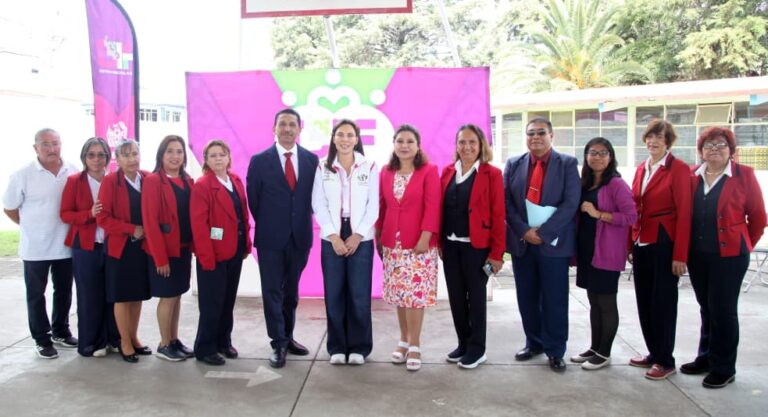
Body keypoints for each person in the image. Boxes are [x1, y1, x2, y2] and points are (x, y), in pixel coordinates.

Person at [681, 127, 766, 388]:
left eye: (720, 144)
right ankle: (706, 357)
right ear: (701, 151)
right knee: (706, 307)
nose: (714, 149)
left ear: (731, 150)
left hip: (729, 257)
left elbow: (758, 218)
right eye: (708, 145)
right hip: (698, 255)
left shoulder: (744, 175)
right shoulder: (692, 175)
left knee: (723, 310)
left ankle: (724, 367)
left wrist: (743, 245)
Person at [503, 117, 579, 373]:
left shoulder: (567, 163)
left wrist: (544, 232)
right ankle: (533, 343)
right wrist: (524, 231)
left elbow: (571, 202)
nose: (535, 137)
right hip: (523, 243)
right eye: (531, 133)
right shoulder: (514, 164)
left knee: (555, 299)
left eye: (541, 133)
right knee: (527, 297)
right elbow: (506, 202)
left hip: (553, 243)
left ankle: (555, 350)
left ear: (551, 136)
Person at [247, 108, 319, 369]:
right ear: (274, 128)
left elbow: (314, 198)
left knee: (291, 293)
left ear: (299, 129)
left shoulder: (311, 160)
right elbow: (254, 200)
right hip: (270, 238)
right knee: (272, 291)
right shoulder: (260, 161)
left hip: (300, 237)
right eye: (282, 124)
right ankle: (277, 342)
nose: (287, 129)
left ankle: (288, 337)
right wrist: (273, 223)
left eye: (292, 124)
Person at [3, 128, 78, 359]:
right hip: (35, 248)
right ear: (35, 148)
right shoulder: (22, 174)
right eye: (45, 144)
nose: (51, 148)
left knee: (64, 291)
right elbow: (9, 208)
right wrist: (30, 226)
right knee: (36, 294)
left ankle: (61, 331)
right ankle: (41, 339)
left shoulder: (72, 170)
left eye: (55, 143)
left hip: (65, 246)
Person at [312, 120, 379, 366]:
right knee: (334, 294)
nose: (345, 139)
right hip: (332, 235)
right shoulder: (323, 166)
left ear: (357, 139)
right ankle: (337, 347)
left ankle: (360, 347)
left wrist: (358, 235)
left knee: (359, 295)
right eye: (340, 134)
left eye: (350, 135)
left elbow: (374, 205)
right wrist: (333, 236)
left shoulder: (369, 166)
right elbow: (318, 204)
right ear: (333, 138)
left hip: (361, 236)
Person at [629, 119, 692, 380]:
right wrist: (630, 244)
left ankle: (665, 360)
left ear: (668, 142)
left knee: (663, 303)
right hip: (641, 241)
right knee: (644, 300)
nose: (653, 142)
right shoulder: (642, 168)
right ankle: (654, 352)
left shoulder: (679, 169)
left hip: (665, 242)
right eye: (650, 137)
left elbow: (685, 213)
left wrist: (680, 255)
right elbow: (634, 206)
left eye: (660, 138)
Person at [439, 124, 505, 369]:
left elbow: (498, 215)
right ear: (456, 145)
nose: (467, 147)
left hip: (478, 248)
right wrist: (439, 242)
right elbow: (441, 209)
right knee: (456, 298)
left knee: (476, 299)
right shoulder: (447, 171)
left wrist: (496, 254)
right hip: (451, 247)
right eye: (462, 142)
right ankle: (463, 344)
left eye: (472, 142)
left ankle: (477, 349)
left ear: (481, 145)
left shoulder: (492, 174)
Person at [376, 124, 440, 372]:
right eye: (400, 141)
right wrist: (379, 236)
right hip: (392, 243)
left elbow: (433, 206)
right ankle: (403, 340)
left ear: (418, 145)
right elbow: (382, 206)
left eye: (409, 141)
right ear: (394, 144)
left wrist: (426, 237)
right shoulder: (386, 171)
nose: (404, 145)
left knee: (415, 296)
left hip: (418, 244)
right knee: (399, 294)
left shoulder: (428, 171)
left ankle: (415, 344)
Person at [571, 138, 636, 370]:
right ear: (586, 156)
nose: (597, 157)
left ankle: (604, 352)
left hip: (606, 251)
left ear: (611, 157)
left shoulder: (616, 184)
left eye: (603, 153)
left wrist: (598, 213)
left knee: (606, 302)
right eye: (593, 152)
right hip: (588, 250)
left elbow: (630, 216)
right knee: (594, 301)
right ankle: (594, 347)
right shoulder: (585, 183)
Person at [190, 140, 252, 366]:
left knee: (227, 301)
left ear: (228, 157)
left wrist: (246, 244)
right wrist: (206, 257)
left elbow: (243, 215)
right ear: (206, 160)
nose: (218, 159)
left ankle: (224, 342)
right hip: (213, 254)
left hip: (234, 250)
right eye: (213, 155)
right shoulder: (202, 185)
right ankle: (205, 347)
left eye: (222, 154)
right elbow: (199, 225)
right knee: (211, 303)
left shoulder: (235, 180)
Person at [60, 137, 120, 357]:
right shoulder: (74, 181)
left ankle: (114, 338)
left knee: (113, 295)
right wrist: (89, 214)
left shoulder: (114, 180)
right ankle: (91, 343)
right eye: (91, 155)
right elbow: (65, 214)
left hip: (113, 246)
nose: (96, 159)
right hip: (86, 247)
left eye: (101, 155)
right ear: (84, 157)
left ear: (108, 157)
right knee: (89, 297)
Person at [97, 140, 152, 363]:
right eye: (126, 155)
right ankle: (124, 341)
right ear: (117, 159)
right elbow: (102, 218)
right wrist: (131, 229)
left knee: (137, 295)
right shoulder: (110, 181)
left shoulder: (147, 178)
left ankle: (134, 337)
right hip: (120, 249)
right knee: (122, 297)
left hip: (143, 248)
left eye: (135, 154)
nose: (132, 159)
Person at [142, 135, 196, 362]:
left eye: (179, 151)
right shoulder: (153, 181)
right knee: (167, 297)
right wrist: (160, 258)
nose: (175, 156)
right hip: (164, 251)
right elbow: (150, 222)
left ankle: (173, 339)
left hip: (182, 249)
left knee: (177, 296)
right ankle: (164, 344)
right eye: (170, 152)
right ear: (161, 155)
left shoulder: (188, 180)